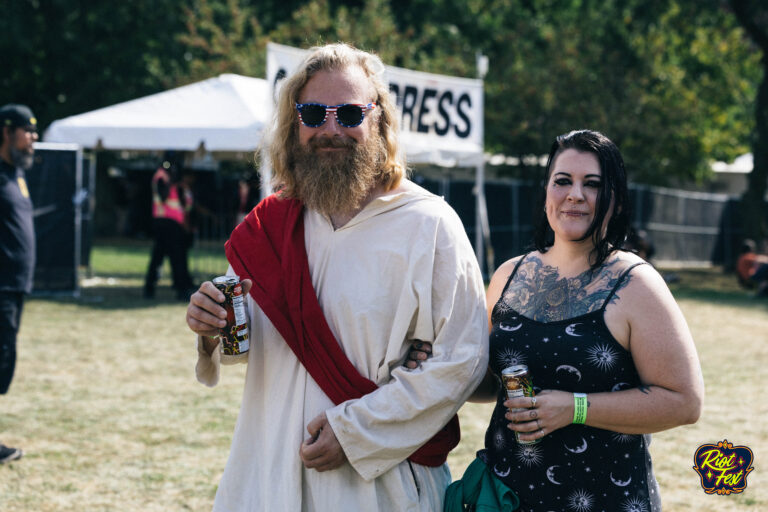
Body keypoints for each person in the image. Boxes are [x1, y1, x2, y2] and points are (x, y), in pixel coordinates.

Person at [185, 43, 488, 511]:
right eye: (313, 113)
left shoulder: (428, 225)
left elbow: (462, 360)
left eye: (349, 113)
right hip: (267, 472)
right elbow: (245, 342)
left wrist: (355, 432)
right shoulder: (269, 226)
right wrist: (212, 328)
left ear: (378, 121)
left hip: (377, 486)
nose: (331, 129)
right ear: (293, 124)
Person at [409, 130, 704, 511]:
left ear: (614, 199)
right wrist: (439, 362)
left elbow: (684, 402)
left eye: (592, 184)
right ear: (547, 191)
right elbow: (487, 384)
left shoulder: (636, 283)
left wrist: (575, 407)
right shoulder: (508, 276)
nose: (575, 194)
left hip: (603, 496)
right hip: (508, 495)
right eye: (562, 181)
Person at [0, 103, 39, 464]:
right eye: (26, 131)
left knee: (4, 360)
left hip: (14, 286)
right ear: (6, 132)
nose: (33, 138)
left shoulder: (16, 175)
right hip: (2, 287)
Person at [143, 157, 195, 300]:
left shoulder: (167, 178)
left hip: (171, 223)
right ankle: (179, 289)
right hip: (165, 222)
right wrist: (173, 182)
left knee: (161, 256)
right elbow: (164, 196)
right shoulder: (161, 177)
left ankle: (151, 287)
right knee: (173, 256)